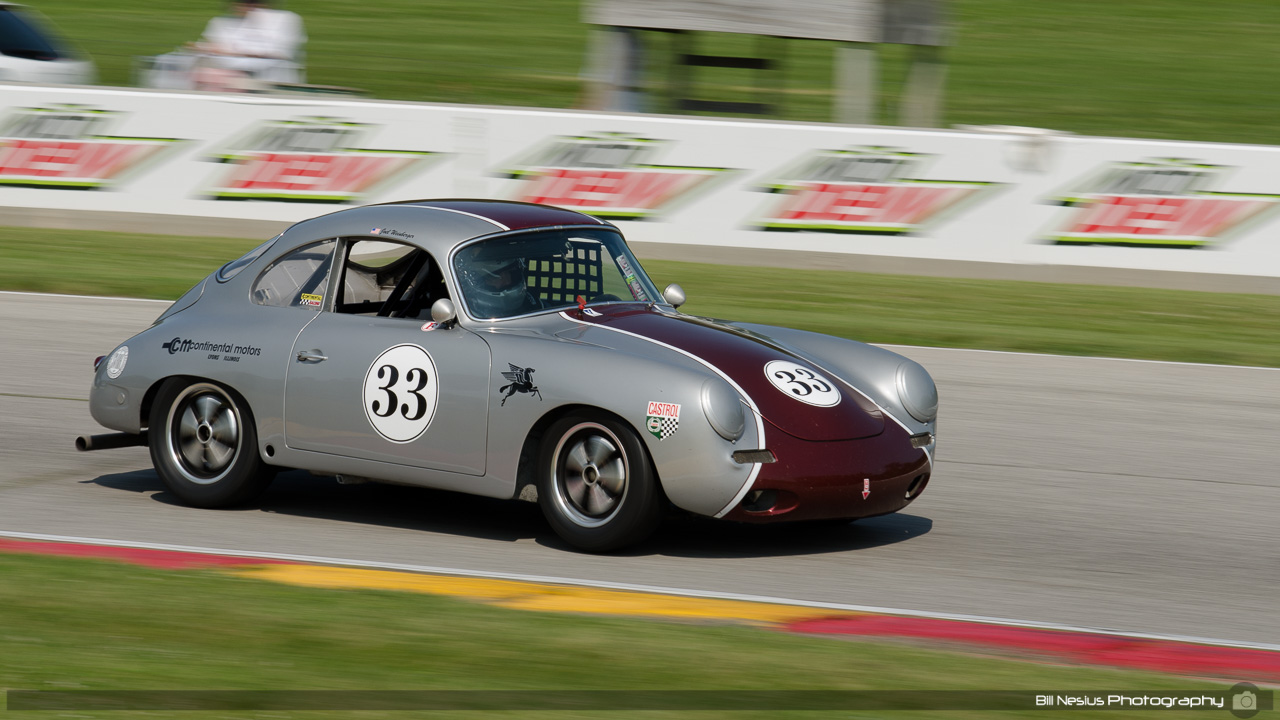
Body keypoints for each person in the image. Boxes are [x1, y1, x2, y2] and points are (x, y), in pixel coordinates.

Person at [144, 0, 305, 91]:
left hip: (267, 75)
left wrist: (229, 52)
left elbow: (278, 53)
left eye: (250, 3)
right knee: (172, 65)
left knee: (211, 76)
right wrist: (202, 48)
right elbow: (212, 48)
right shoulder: (222, 23)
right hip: (223, 71)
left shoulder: (285, 20)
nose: (243, 7)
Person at [457, 255, 544, 319]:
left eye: (511, 272)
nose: (508, 281)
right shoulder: (466, 315)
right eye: (496, 277)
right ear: (476, 282)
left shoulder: (534, 305)